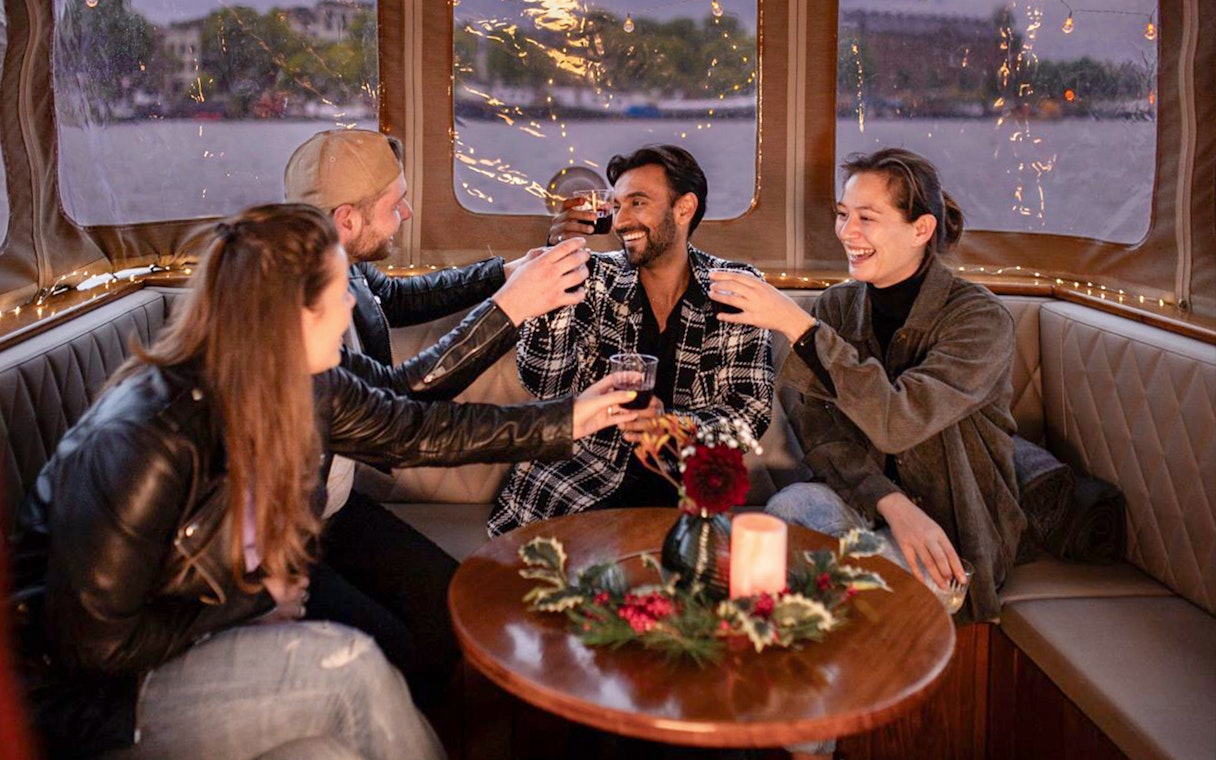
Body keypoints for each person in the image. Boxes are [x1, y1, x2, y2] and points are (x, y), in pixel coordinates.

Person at [15, 204, 637, 759]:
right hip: (101, 700)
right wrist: (260, 598)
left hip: (193, 643)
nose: (349, 312)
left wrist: (573, 417)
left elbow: (419, 430)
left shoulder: (303, 382)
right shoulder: (147, 439)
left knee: (326, 748)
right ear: (291, 314)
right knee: (351, 670)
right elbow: (92, 647)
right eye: (340, 297)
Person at [710, 147, 1024, 759]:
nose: (846, 233)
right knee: (793, 507)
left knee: (810, 595)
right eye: (841, 214)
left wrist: (795, 325)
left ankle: (788, 747)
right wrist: (890, 502)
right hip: (867, 513)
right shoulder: (835, 308)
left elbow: (899, 420)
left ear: (921, 229)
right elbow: (822, 437)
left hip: (951, 538)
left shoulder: (979, 321)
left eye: (867, 218)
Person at [284, 128, 591, 706]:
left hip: (337, 510)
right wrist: (513, 308)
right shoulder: (293, 310)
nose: (406, 211)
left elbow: (399, 300)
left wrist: (505, 271)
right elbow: (401, 401)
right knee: (400, 645)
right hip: (291, 532)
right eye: (393, 202)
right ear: (346, 220)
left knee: (451, 607)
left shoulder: (341, 267)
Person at [492, 145, 773, 536]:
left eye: (637, 203)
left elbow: (749, 413)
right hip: (579, 487)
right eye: (617, 205)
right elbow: (545, 384)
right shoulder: (593, 278)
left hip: (685, 491)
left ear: (684, 208)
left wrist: (673, 425)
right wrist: (555, 269)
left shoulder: (733, 288)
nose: (622, 221)